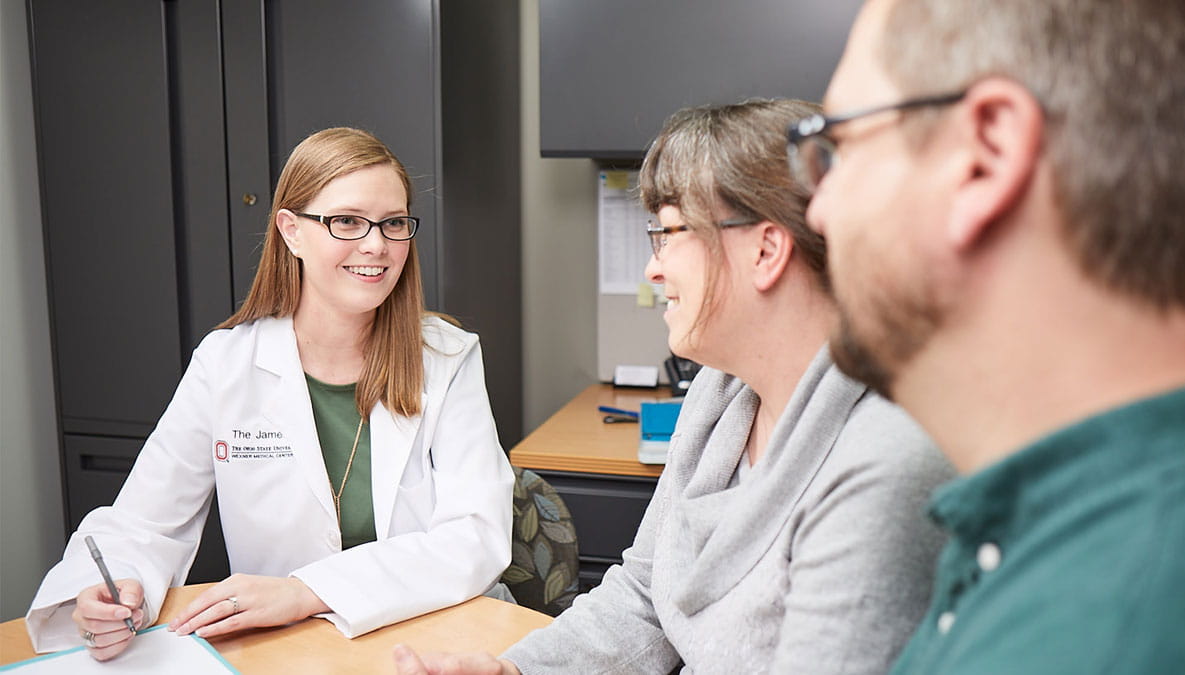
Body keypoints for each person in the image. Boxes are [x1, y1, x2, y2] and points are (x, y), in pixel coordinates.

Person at [395, 100, 955, 674]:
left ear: (764, 251)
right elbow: (645, 597)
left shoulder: (880, 467)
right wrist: (515, 672)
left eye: (668, 233)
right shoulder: (720, 397)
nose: (652, 268)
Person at [792, 0, 1185, 672]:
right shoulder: (1051, 536)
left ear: (985, 154)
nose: (818, 206)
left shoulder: (1105, 633)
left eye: (836, 146)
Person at [26, 127, 514, 659]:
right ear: (291, 231)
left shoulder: (445, 358)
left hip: (436, 638)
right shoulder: (227, 364)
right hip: (293, 652)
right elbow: (144, 521)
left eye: (393, 223)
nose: (376, 245)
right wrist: (112, 593)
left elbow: (475, 534)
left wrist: (305, 591)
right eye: (346, 221)